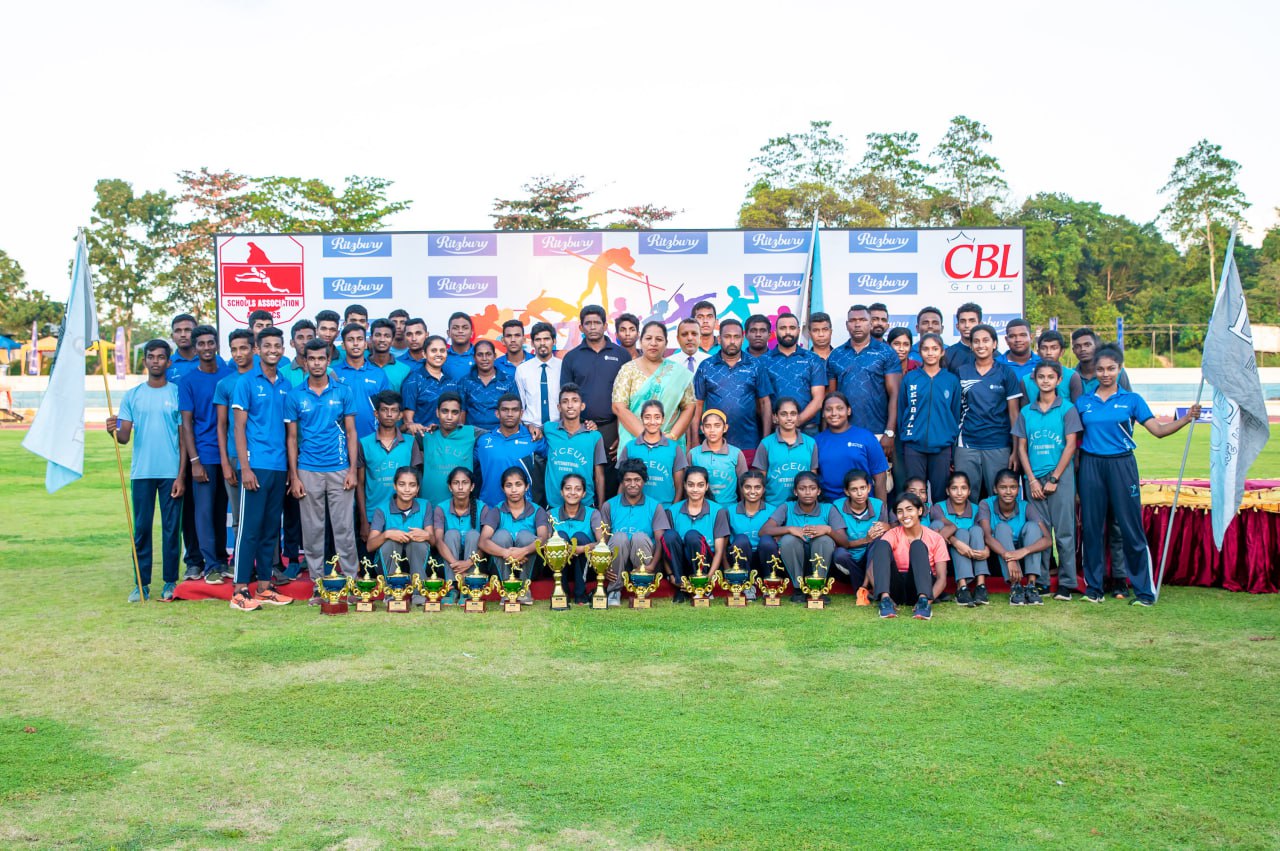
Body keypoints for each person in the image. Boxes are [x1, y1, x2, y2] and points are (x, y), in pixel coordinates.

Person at [1076, 345, 1199, 606]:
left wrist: (1188, 418)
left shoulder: (1132, 400)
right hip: (1091, 466)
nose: (1105, 373)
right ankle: (1094, 589)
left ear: (1120, 369)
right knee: (1092, 528)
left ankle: (1144, 591)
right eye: (1100, 369)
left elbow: (1159, 430)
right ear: (1094, 370)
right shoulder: (1084, 401)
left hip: (1122, 466)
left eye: (1111, 368)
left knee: (1131, 529)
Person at [108, 339, 186, 602]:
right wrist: (113, 430)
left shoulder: (177, 393)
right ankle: (141, 583)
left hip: (170, 473)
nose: (156, 361)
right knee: (141, 529)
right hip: (141, 473)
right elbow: (124, 437)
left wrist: (181, 474)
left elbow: (183, 437)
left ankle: (170, 582)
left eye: (161, 357)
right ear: (145, 361)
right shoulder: (132, 395)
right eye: (151, 357)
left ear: (168, 361)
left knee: (171, 529)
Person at [285, 339, 359, 588]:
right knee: (313, 531)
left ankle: (351, 581)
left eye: (321, 359)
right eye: (312, 359)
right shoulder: (295, 395)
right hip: (308, 469)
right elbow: (292, 438)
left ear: (329, 361)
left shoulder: (343, 392)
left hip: (339, 469)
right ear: (305, 362)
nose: (317, 363)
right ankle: (318, 584)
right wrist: (294, 476)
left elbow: (351, 433)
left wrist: (351, 470)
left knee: (344, 530)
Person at [230, 327, 295, 610]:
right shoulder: (245, 383)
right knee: (249, 530)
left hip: (279, 467)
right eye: (266, 345)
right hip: (255, 465)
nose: (272, 350)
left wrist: (292, 472)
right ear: (257, 349)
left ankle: (265, 587)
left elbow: (291, 432)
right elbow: (238, 427)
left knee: (271, 529)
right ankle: (240, 590)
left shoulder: (286, 384)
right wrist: (244, 467)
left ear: (283, 349)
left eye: (277, 345)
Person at [1013, 360, 1082, 599]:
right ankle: (1040, 580)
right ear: (1034, 380)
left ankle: (1067, 582)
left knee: (1064, 532)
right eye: (1041, 377)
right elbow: (1022, 448)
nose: (1045, 381)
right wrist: (1031, 480)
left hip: (1059, 477)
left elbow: (1071, 444)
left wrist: (1054, 477)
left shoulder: (1067, 408)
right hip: (1034, 478)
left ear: (1058, 380)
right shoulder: (1026, 411)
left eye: (1050, 377)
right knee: (1039, 532)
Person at [178, 325, 232, 583]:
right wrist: (194, 461)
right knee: (204, 511)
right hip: (204, 455)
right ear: (195, 347)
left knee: (222, 511)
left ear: (217, 345)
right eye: (202, 344)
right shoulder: (188, 381)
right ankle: (210, 565)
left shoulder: (229, 375)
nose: (207, 348)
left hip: (228, 455)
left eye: (211, 343)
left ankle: (221, 560)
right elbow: (186, 424)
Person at [561, 305, 630, 496]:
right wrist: (576, 425)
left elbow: (628, 397)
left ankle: (605, 519)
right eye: (588, 323)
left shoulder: (621, 354)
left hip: (611, 427)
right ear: (581, 328)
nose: (592, 327)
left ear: (605, 325)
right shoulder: (571, 357)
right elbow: (566, 395)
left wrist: (620, 431)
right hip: (580, 427)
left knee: (609, 478)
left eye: (597, 323)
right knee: (580, 473)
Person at [953, 324, 1023, 500]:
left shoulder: (1006, 373)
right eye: (976, 341)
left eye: (985, 340)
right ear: (970, 345)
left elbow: (1014, 414)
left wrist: (1015, 450)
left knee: (999, 496)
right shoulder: (962, 372)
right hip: (967, 444)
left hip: (998, 444)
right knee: (966, 497)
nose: (980, 345)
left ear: (994, 344)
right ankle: (970, 529)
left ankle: (999, 529)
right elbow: (955, 411)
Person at [693, 319, 774, 465]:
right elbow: (697, 406)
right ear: (719, 339)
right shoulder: (706, 366)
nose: (732, 341)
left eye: (736, 337)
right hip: (714, 444)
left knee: (749, 486)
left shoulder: (755, 365)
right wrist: (693, 441)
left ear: (742, 339)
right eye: (727, 336)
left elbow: (765, 403)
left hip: (749, 442)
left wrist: (766, 441)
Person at [826, 304, 900, 458]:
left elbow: (895, 395)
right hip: (843, 431)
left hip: (878, 432)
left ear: (871, 323)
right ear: (847, 325)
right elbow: (831, 398)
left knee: (879, 480)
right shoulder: (836, 355)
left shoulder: (886, 352)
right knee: (846, 479)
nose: (857, 324)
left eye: (862, 319)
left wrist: (890, 432)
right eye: (853, 320)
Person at [213, 328, 256, 584]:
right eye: (234, 349)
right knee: (240, 518)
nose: (239, 353)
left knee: (262, 516)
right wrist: (225, 464)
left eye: (243, 348)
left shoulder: (265, 378)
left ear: (254, 349)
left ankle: (268, 565)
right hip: (234, 458)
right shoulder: (225, 384)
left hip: (263, 458)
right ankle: (241, 566)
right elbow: (221, 426)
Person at [898, 332, 961, 504]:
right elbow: (902, 410)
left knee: (940, 495)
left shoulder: (951, 380)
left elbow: (954, 414)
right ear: (919, 352)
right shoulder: (910, 378)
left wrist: (951, 448)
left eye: (935, 349)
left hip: (941, 447)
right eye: (926, 349)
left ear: (942, 352)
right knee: (914, 494)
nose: (930, 353)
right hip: (913, 446)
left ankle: (938, 528)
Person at [760, 471, 842, 603]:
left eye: (812, 488)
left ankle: (818, 588)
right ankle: (798, 589)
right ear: (795, 492)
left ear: (819, 491)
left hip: (822, 561)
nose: (808, 492)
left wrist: (828, 530)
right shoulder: (787, 507)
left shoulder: (828, 509)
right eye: (802, 489)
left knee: (824, 540)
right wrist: (789, 529)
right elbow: (764, 531)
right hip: (794, 562)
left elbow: (844, 541)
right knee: (788, 539)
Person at [614, 320, 696, 450]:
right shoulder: (628, 370)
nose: (653, 343)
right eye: (648, 338)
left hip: (669, 444)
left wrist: (672, 436)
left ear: (666, 343)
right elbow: (619, 407)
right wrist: (647, 438)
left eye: (659, 339)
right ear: (641, 342)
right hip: (634, 442)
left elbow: (689, 406)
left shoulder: (679, 372)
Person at [600, 459, 670, 606]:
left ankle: (643, 587)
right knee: (618, 537)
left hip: (645, 563)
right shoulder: (609, 505)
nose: (632, 484)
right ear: (622, 482)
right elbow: (603, 541)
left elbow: (660, 541)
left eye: (637, 479)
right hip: (618, 564)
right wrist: (603, 568)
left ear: (644, 481)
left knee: (639, 537)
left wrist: (651, 567)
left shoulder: (655, 506)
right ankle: (614, 591)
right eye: (628, 480)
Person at [868, 493, 948, 620]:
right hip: (896, 588)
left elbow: (942, 579)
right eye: (900, 511)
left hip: (921, 587)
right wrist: (885, 596)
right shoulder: (892, 534)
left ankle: (923, 604)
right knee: (882, 544)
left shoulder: (936, 538)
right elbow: (871, 570)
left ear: (920, 510)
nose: (905, 515)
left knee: (917, 545)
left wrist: (927, 601)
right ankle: (885, 601)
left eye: (909, 509)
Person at [979, 469, 1052, 605]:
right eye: (1003, 487)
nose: (1008, 492)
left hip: (1023, 555)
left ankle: (1031, 586)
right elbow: (987, 537)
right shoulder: (986, 504)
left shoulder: (1025, 506)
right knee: (1001, 527)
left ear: (1018, 489)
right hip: (999, 555)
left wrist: (1023, 551)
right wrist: (1009, 557)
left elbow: (1048, 539)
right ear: (995, 489)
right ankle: (1016, 587)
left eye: (1013, 487)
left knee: (1033, 527)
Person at [479, 467, 550, 604]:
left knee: (526, 536)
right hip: (502, 566)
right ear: (502, 488)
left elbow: (543, 538)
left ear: (526, 486)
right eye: (509, 485)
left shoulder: (537, 510)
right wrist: (506, 553)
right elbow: (483, 541)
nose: (514, 490)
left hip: (529, 566)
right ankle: (507, 590)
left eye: (518, 484)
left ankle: (524, 589)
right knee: (501, 535)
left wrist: (523, 551)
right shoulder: (497, 510)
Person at [357, 390, 415, 549]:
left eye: (394, 410)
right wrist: (363, 521)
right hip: (372, 515)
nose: (389, 414)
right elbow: (360, 485)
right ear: (376, 413)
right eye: (384, 410)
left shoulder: (411, 443)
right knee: (371, 570)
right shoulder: (364, 443)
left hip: (404, 515)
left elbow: (417, 483)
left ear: (400, 415)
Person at [367, 466, 435, 602]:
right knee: (391, 542)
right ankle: (391, 592)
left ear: (417, 489)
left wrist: (426, 535)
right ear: (395, 486)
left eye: (412, 485)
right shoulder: (382, 509)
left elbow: (433, 541)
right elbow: (370, 546)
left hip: (417, 563)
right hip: (388, 565)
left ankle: (418, 592)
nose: (407, 489)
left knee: (417, 544)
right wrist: (387, 534)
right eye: (402, 484)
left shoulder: (425, 505)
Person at [664, 466, 730, 603]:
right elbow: (666, 546)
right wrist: (671, 575)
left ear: (707, 487)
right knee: (669, 535)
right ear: (684, 485)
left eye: (700, 485)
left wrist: (709, 579)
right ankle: (679, 586)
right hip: (681, 565)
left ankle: (703, 588)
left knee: (692, 536)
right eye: (691, 485)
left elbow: (719, 551)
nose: (695, 489)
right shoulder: (673, 510)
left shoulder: (718, 511)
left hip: (706, 563)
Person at [929, 472, 990, 607]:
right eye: (954, 488)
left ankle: (981, 585)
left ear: (969, 491)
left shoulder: (976, 509)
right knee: (956, 531)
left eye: (963, 488)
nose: (959, 492)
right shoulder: (938, 507)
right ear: (947, 491)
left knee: (976, 530)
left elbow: (983, 535)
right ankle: (962, 587)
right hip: (946, 554)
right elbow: (938, 531)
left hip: (971, 552)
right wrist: (957, 544)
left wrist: (987, 549)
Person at [813, 392, 888, 503]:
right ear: (823, 414)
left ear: (848, 411)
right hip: (829, 506)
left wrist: (881, 513)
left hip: (863, 506)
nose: (834, 413)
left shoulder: (866, 437)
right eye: (828, 409)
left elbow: (880, 478)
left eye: (839, 408)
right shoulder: (816, 441)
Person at [474, 394, 544, 508]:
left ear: (521, 413)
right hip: (489, 508)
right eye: (505, 410)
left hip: (523, 510)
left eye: (514, 410)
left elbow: (553, 458)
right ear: (497, 413)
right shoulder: (483, 440)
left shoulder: (533, 438)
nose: (510, 414)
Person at [544, 383, 606, 510]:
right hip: (554, 505)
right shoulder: (549, 429)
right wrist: (531, 427)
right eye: (565, 401)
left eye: (575, 401)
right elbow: (532, 431)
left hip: (585, 504)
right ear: (559, 407)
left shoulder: (594, 436)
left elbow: (599, 476)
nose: (570, 405)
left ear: (582, 406)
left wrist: (601, 507)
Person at [417, 391, 484, 507]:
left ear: (460, 414)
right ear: (437, 412)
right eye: (444, 411)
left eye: (454, 412)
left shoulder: (471, 432)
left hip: (462, 508)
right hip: (429, 506)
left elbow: (496, 435)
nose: (449, 417)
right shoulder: (426, 435)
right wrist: (409, 426)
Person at [764, 312, 827, 435]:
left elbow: (819, 399)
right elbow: (760, 400)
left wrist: (796, 421)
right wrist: (778, 422)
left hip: (808, 429)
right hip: (775, 430)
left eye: (792, 328)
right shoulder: (763, 361)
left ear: (798, 331)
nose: (787, 332)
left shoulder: (812, 359)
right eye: (783, 328)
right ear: (775, 332)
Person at [616, 399, 688, 504]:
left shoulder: (673, 448)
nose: (652, 422)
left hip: (665, 509)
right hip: (636, 510)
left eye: (657, 417)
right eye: (647, 417)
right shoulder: (630, 447)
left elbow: (679, 486)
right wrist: (620, 508)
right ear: (641, 419)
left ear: (663, 419)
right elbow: (623, 483)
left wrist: (673, 510)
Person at [832, 469, 886, 605]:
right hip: (849, 562)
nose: (859, 493)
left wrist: (887, 526)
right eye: (854, 489)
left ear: (869, 487)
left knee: (879, 541)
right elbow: (844, 543)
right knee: (840, 554)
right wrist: (866, 539)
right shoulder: (837, 506)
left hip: (870, 556)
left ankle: (866, 589)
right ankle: (864, 588)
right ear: (846, 492)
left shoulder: (878, 505)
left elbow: (889, 530)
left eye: (863, 488)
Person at [549, 473, 605, 605]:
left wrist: (582, 549)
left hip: (586, 567)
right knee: (560, 536)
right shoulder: (551, 514)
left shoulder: (593, 514)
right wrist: (562, 548)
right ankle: (562, 593)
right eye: (568, 488)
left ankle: (581, 594)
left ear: (584, 493)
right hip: (559, 568)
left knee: (579, 537)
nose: (572, 492)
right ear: (561, 492)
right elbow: (545, 543)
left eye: (578, 489)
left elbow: (602, 543)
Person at [432, 467, 486, 603]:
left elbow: (486, 543)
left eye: (465, 483)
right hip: (448, 561)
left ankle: (469, 587)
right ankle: (452, 588)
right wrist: (456, 564)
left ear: (472, 486)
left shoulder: (482, 507)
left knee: (474, 535)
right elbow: (438, 540)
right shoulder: (441, 508)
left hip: (475, 562)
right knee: (451, 534)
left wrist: (468, 563)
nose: (460, 487)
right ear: (450, 487)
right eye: (456, 483)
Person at [752, 397, 817, 505]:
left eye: (793, 413)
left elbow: (812, 478)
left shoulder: (810, 443)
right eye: (783, 414)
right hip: (773, 505)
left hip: (801, 507)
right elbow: (760, 480)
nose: (789, 418)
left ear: (797, 416)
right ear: (775, 417)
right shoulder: (766, 444)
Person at [331, 323, 389, 439]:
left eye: (360, 339)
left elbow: (387, 408)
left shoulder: (379, 374)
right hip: (341, 439)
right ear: (343, 345)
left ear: (366, 344)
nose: (356, 343)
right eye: (350, 340)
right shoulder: (334, 373)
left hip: (372, 439)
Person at [688, 408, 747, 510]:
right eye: (708, 426)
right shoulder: (693, 454)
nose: (712, 430)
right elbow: (687, 485)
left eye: (717, 426)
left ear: (725, 428)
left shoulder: (736, 453)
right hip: (701, 510)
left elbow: (744, 484)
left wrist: (743, 510)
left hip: (729, 509)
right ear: (702, 429)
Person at [457, 339, 516, 432]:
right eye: (480, 355)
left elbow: (514, 410)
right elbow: (461, 411)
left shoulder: (508, 380)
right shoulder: (465, 382)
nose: (484, 358)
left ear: (495, 356)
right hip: (473, 434)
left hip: (500, 434)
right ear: (474, 358)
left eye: (488, 354)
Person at [401, 336, 455, 432]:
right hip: (423, 439)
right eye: (433, 351)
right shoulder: (413, 381)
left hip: (448, 439)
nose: (439, 354)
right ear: (424, 354)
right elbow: (408, 421)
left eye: (442, 350)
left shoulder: (451, 381)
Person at [515, 321, 561, 430]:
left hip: (558, 428)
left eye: (546, 339)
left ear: (554, 341)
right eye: (538, 340)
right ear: (532, 343)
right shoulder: (522, 369)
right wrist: (526, 427)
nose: (542, 343)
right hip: (530, 429)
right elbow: (520, 403)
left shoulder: (563, 366)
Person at [1025, 330, 1083, 404]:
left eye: (1054, 348)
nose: (1048, 352)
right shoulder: (1026, 381)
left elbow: (1077, 409)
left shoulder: (1072, 377)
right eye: (1044, 348)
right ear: (1038, 352)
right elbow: (1025, 412)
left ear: (1062, 352)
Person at [368, 318, 411, 391]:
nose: (382, 340)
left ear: (393, 340)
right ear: (371, 338)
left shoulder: (405, 370)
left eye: (387, 336)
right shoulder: (361, 367)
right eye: (378, 335)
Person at [943, 302, 984, 372]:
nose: (967, 325)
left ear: (980, 324)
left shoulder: (992, 354)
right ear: (957, 326)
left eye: (972, 321)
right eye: (963, 321)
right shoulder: (947, 355)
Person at [165, 314, 202, 382]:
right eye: (178, 331)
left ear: (197, 334)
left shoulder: (215, 360)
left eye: (188, 330)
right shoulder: (166, 364)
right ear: (172, 336)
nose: (183, 335)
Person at [282, 319, 319, 387]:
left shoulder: (327, 372)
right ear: (292, 343)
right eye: (300, 338)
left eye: (310, 338)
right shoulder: (282, 373)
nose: (305, 342)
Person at [442, 312, 476, 382]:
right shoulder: (442, 357)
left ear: (472, 333)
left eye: (465, 328)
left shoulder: (480, 355)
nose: (460, 331)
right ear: (448, 333)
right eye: (455, 328)